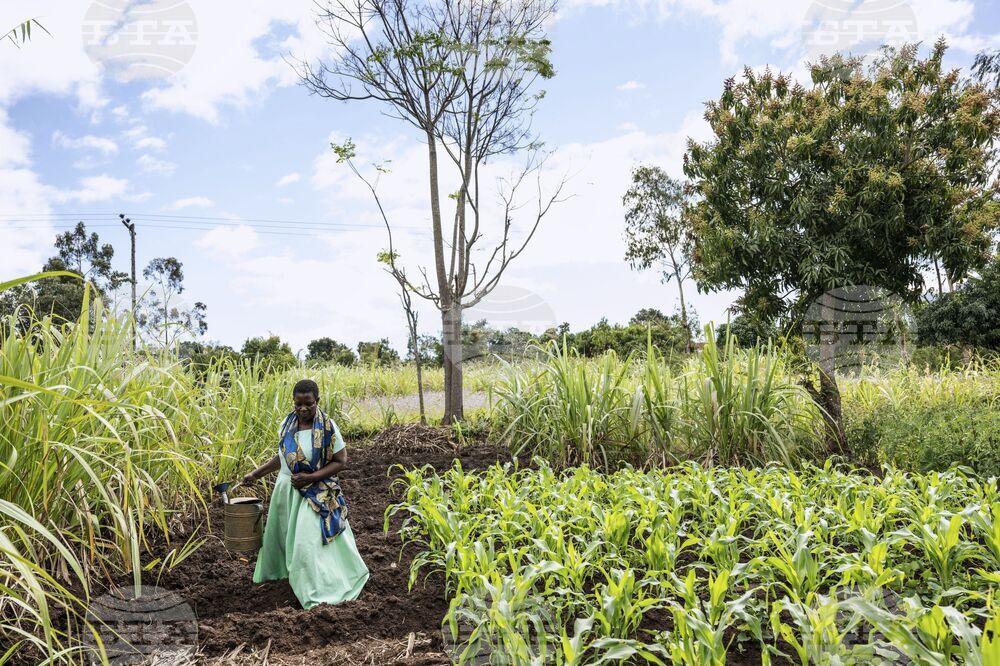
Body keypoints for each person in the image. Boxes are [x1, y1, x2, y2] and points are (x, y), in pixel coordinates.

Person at [243, 379, 369, 608]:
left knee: (305, 545)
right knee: (281, 540)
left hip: (314, 493)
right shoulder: (287, 424)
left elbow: (341, 461)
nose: (302, 409)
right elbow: (282, 457)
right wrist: (255, 474)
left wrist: (310, 478)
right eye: (298, 404)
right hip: (287, 491)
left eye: (308, 404)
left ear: (317, 401)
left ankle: (317, 592)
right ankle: (282, 581)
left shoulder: (328, 427)